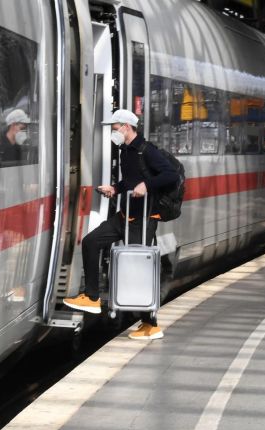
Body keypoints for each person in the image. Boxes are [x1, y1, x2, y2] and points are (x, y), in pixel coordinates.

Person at [63, 109, 179, 340]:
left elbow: (171, 175)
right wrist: (115, 189)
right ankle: (93, 297)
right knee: (91, 241)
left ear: (126, 127)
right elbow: (130, 180)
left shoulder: (147, 150)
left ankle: (151, 324)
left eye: (114, 127)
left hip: (143, 220)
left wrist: (147, 185)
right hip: (124, 216)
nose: (112, 131)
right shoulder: (126, 151)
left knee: (138, 270)